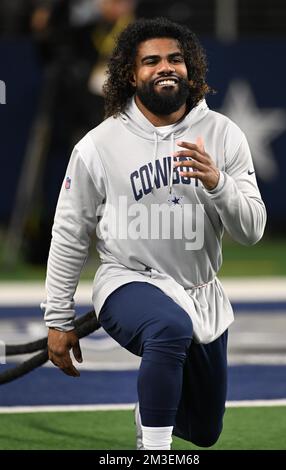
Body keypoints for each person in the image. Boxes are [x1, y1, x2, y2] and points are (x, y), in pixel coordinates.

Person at [42, 17, 267, 450]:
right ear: (131, 73)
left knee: (204, 431)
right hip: (128, 280)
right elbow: (70, 234)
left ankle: (152, 409)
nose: (165, 67)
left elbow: (253, 230)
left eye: (175, 59)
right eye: (151, 61)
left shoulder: (223, 134)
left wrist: (218, 184)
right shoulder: (98, 145)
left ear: (191, 69)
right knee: (168, 326)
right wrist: (57, 318)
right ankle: (155, 452)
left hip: (200, 289)